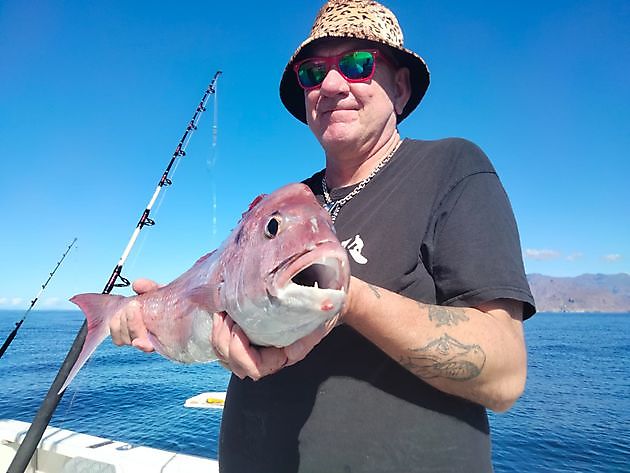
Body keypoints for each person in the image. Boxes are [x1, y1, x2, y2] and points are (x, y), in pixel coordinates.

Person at [111, 1, 536, 471]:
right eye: (313, 73)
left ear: (399, 86)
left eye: (357, 64)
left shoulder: (450, 168)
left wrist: (349, 299)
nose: (331, 86)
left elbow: (505, 374)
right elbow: (226, 317)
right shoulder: (287, 207)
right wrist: (164, 316)